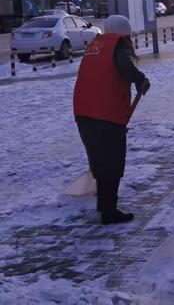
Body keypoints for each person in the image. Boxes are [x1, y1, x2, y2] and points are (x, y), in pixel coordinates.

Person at [73, 15, 150, 225]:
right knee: (113, 162)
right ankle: (109, 211)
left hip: (83, 112)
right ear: (126, 34)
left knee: (99, 161)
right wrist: (141, 79)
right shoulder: (119, 46)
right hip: (105, 114)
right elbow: (125, 67)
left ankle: (103, 204)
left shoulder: (95, 46)